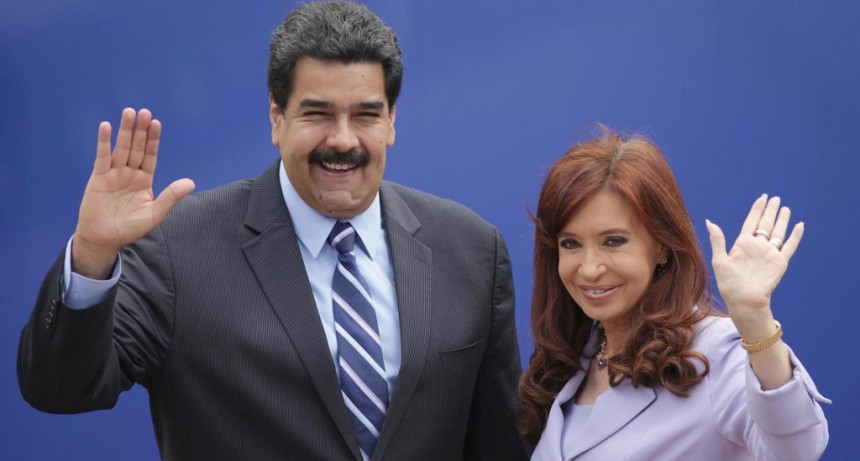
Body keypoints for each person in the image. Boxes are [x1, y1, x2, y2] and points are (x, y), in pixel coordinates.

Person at [17, 2, 527, 460]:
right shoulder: (177, 249)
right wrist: (93, 253)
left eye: (365, 115)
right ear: (276, 117)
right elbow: (62, 388)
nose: (342, 140)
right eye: (318, 114)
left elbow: (501, 445)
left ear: (391, 120)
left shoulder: (471, 250)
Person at [518, 129, 829, 460]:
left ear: (662, 245)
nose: (590, 268)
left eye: (613, 241)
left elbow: (796, 450)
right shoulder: (573, 358)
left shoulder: (714, 350)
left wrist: (757, 323)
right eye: (571, 244)